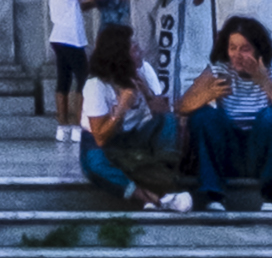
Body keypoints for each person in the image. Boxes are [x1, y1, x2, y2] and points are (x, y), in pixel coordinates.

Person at [177, 16, 272, 214]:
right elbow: (183, 106)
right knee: (204, 116)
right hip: (229, 154)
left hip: (262, 154)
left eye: (245, 49)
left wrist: (264, 82)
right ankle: (212, 195)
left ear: (258, 50)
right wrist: (207, 95)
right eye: (232, 47)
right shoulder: (219, 70)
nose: (237, 54)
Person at [73, 40, 188, 209]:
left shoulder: (145, 70)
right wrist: (122, 106)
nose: (140, 53)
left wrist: (147, 93)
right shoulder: (96, 85)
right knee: (95, 165)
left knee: (168, 121)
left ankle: (163, 173)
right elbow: (100, 134)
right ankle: (151, 198)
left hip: (134, 136)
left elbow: (163, 112)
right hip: (101, 141)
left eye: (138, 48)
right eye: (134, 51)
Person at [40, 0, 91, 134]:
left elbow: (76, 7)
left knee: (63, 80)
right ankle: (79, 123)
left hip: (58, 37)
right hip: (71, 38)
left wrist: (95, 3)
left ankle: (62, 126)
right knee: (83, 79)